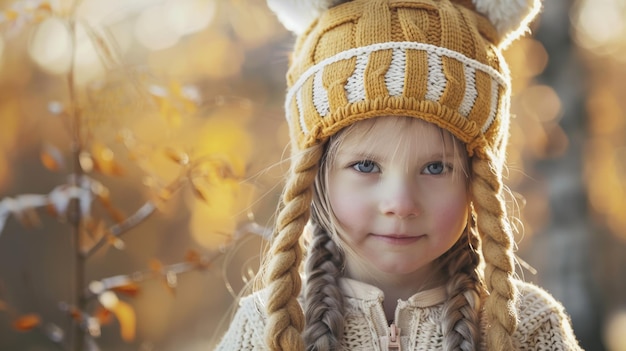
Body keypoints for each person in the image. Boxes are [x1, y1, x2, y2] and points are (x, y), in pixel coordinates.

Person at [215, 0, 583, 350]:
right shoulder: (264, 327)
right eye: (365, 166)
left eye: (435, 168)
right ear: (315, 175)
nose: (401, 204)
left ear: (478, 179)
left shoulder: (532, 327)